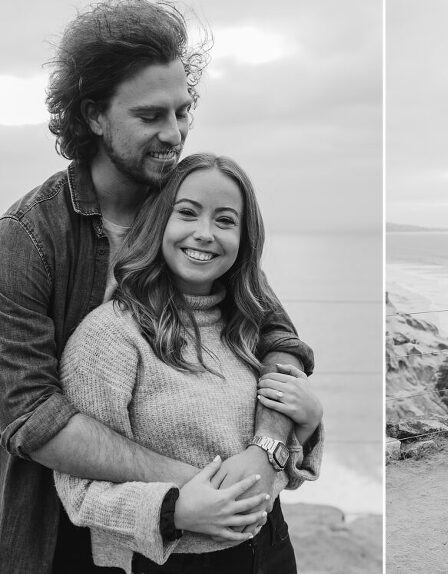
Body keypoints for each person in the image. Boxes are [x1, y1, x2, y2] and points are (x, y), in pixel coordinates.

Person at [0, 2, 312, 572]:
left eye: (183, 110)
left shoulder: (188, 209)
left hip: (230, 531)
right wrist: (194, 487)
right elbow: (29, 417)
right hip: (69, 530)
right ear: (94, 115)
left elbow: (275, 333)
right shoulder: (26, 239)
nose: (174, 134)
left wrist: (266, 449)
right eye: (150, 116)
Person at [54, 153, 323, 573]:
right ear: (159, 220)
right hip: (170, 561)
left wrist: (305, 425)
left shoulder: (249, 326)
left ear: (244, 238)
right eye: (187, 213)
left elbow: (274, 470)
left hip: (272, 548)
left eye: (225, 220)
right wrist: (174, 511)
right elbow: (79, 492)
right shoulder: (108, 337)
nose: (204, 233)